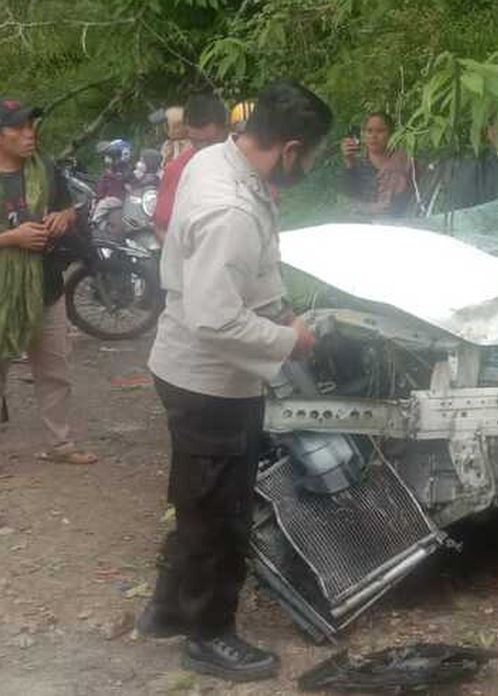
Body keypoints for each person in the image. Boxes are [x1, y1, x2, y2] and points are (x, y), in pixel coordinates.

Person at [138, 80, 331, 682]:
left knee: (196, 498)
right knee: (219, 513)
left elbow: (244, 275)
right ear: (291, 147)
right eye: (312, 156)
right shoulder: (231, 211)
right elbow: (216, 317)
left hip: (192, 369)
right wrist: (288, 340)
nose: (310, 166)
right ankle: (208, 634)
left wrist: (277, 310)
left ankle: (168, 609)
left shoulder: (214, 158)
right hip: (210, 379)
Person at [0, 97, 97, 465]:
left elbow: (67, 206)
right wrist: (12, 238)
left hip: (47, 286)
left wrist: (63, 217)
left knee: (55, 371)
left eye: (32, 126)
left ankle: (60, 445)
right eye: (19, 127)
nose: (30, 134)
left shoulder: (45, 168)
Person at [152, 94, 229, 239]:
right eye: (197, 142)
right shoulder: (177, 170)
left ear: (226, 129)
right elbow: (161, 228)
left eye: (212, 142)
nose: (205, 149)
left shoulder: (247, 162)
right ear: (187, 131)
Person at [339, 111, 414, 216]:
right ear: (363, 134)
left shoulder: (405, 162)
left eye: (380, 131)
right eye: (369, 131)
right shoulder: (357, 162)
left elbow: (416, 199)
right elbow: (347, 202)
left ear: (391, 134)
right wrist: (349, 162)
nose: (374, 136)